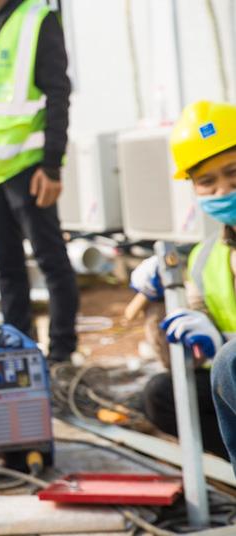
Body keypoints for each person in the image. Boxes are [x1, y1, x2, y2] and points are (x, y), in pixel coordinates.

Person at [0, 0, 76, 362]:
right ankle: (20, 354)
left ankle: (61, 356)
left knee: (51, 263)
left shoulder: (37, 19)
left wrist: (52, 166)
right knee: (7, 268)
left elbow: (58, 95)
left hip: (28, 168)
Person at [131, 101, 236, 467]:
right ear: (193, 187)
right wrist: (163, 306)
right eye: (207, 181)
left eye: (233, 171)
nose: (223, 189)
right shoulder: (206, 258)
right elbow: (192, 349)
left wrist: (223, 346)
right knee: (163, 394)